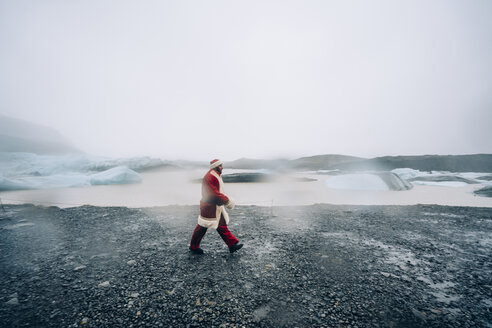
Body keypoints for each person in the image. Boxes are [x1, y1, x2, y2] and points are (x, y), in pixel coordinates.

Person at [189, 159, 243, 254]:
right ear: (216, 166)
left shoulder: (215, 174)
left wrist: (223, 200)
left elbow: (215, 193)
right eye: (221, 165)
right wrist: (227, 200)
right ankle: (193, 247)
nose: (222, 167)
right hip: (209, 206)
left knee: (221, 225)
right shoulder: (210, 176)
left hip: (214, 205)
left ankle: (232, 245)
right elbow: (213, 194)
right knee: (202, 226)